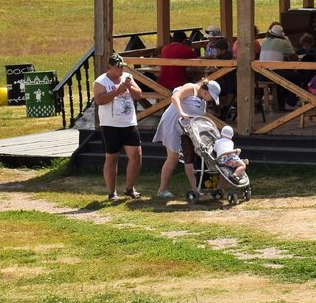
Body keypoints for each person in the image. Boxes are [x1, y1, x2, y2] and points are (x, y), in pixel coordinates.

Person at [153, 79, 221, 199]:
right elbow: (175, 97)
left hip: (187, 130)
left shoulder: (203, 102)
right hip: (173, 124)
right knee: (172, 158)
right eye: (212, 96)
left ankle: (197, 189)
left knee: (190, 158)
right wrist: (181, 113)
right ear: (206, 92)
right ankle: (162, 190)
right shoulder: (191, 87)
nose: (211, 100)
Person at [93, 53, 145, 202]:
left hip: (129, 123)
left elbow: (139, 95)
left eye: (122, 66)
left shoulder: (127, 77)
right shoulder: (101, 82)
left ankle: (129, 188)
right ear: (109, 67)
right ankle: (112, 192)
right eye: (117, 67)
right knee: (111, 158)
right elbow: (100, 100)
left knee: (136, 156)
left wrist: (129, 86)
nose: (120, 70)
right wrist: (117, 91)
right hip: (110, 125)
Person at [257, 23, 296, 110]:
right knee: (295, 77)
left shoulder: (264, 40)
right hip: (273, 72)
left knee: (283, 75)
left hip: (261, 73)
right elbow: (294, 57)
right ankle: (290, 103)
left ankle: (280, 103)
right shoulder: (283, 42)